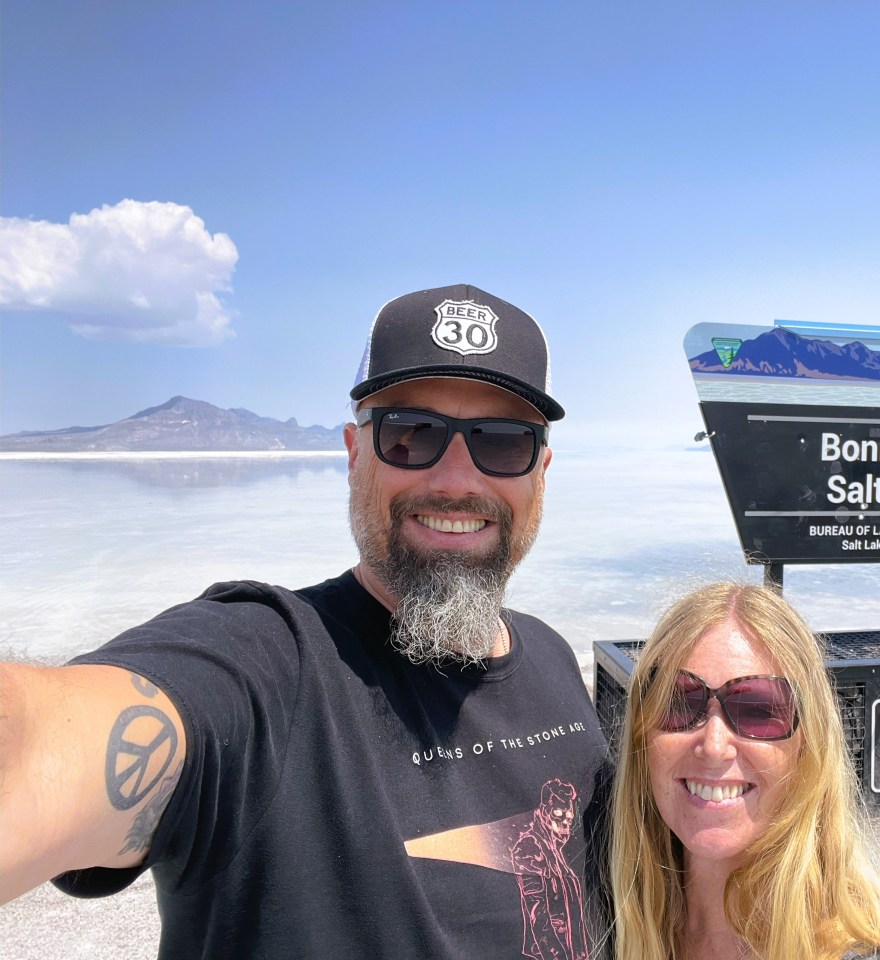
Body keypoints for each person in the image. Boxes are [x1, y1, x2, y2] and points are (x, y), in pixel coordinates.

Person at [0, 284, 609, 959]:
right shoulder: (268, 663)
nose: (458, 479)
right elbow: (42, 747)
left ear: (541, 472)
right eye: (412, 434)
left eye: (502, 441)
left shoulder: (552, 658)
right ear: (354, 453)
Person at [608, 583, 880, 960]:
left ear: (809, 748)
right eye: (679, 701)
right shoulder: (602, 924)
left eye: (757, 709)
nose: (713, 745)